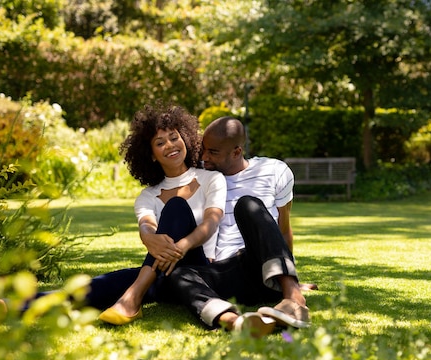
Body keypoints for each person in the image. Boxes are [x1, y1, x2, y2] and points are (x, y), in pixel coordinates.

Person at [158, 116, 310, 334]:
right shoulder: (202, 177)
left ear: (237, 152)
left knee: (248, 205)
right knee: (179, 275)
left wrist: (289, 278)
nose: (204, 157)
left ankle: (294, 299)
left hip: (261, 268)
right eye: (204, 150)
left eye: (213, 152)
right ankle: (234, 321)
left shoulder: (275, 171)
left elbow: (283, 229)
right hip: (226, 274)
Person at [95, 102, 227, 325]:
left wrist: (183, 245)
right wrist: (148, 237)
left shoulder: (211, 179)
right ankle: (21, 304)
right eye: (160, 142)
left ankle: (133, 297)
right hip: (162, 276)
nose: (170, 145)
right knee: (97, 286)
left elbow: (211, 223)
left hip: (198, 273)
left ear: (185, 139)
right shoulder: (148, 196)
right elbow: (147, 225)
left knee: (176, 207)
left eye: (174, 137)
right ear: (152, 155)